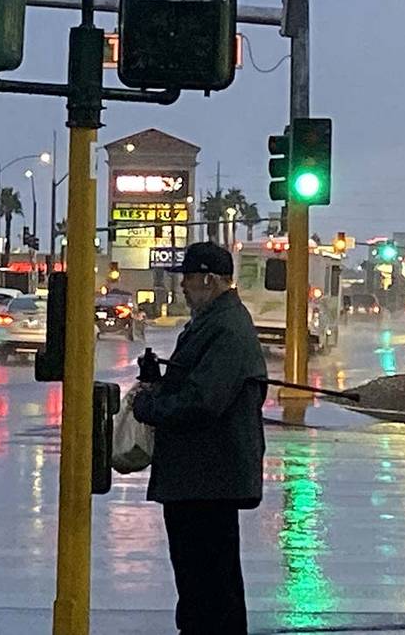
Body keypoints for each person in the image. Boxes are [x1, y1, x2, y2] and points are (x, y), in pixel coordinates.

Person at [133, 241, 267, 635]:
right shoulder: (214, 322)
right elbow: (198, 382)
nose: (183, 289)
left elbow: (203, 401)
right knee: (203, 583)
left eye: (188, 280)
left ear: (208, 279)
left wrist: (150, 409)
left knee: (207, 584)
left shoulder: (227, 327)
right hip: (201, 479)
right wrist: (159, 381)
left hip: (208, 480)